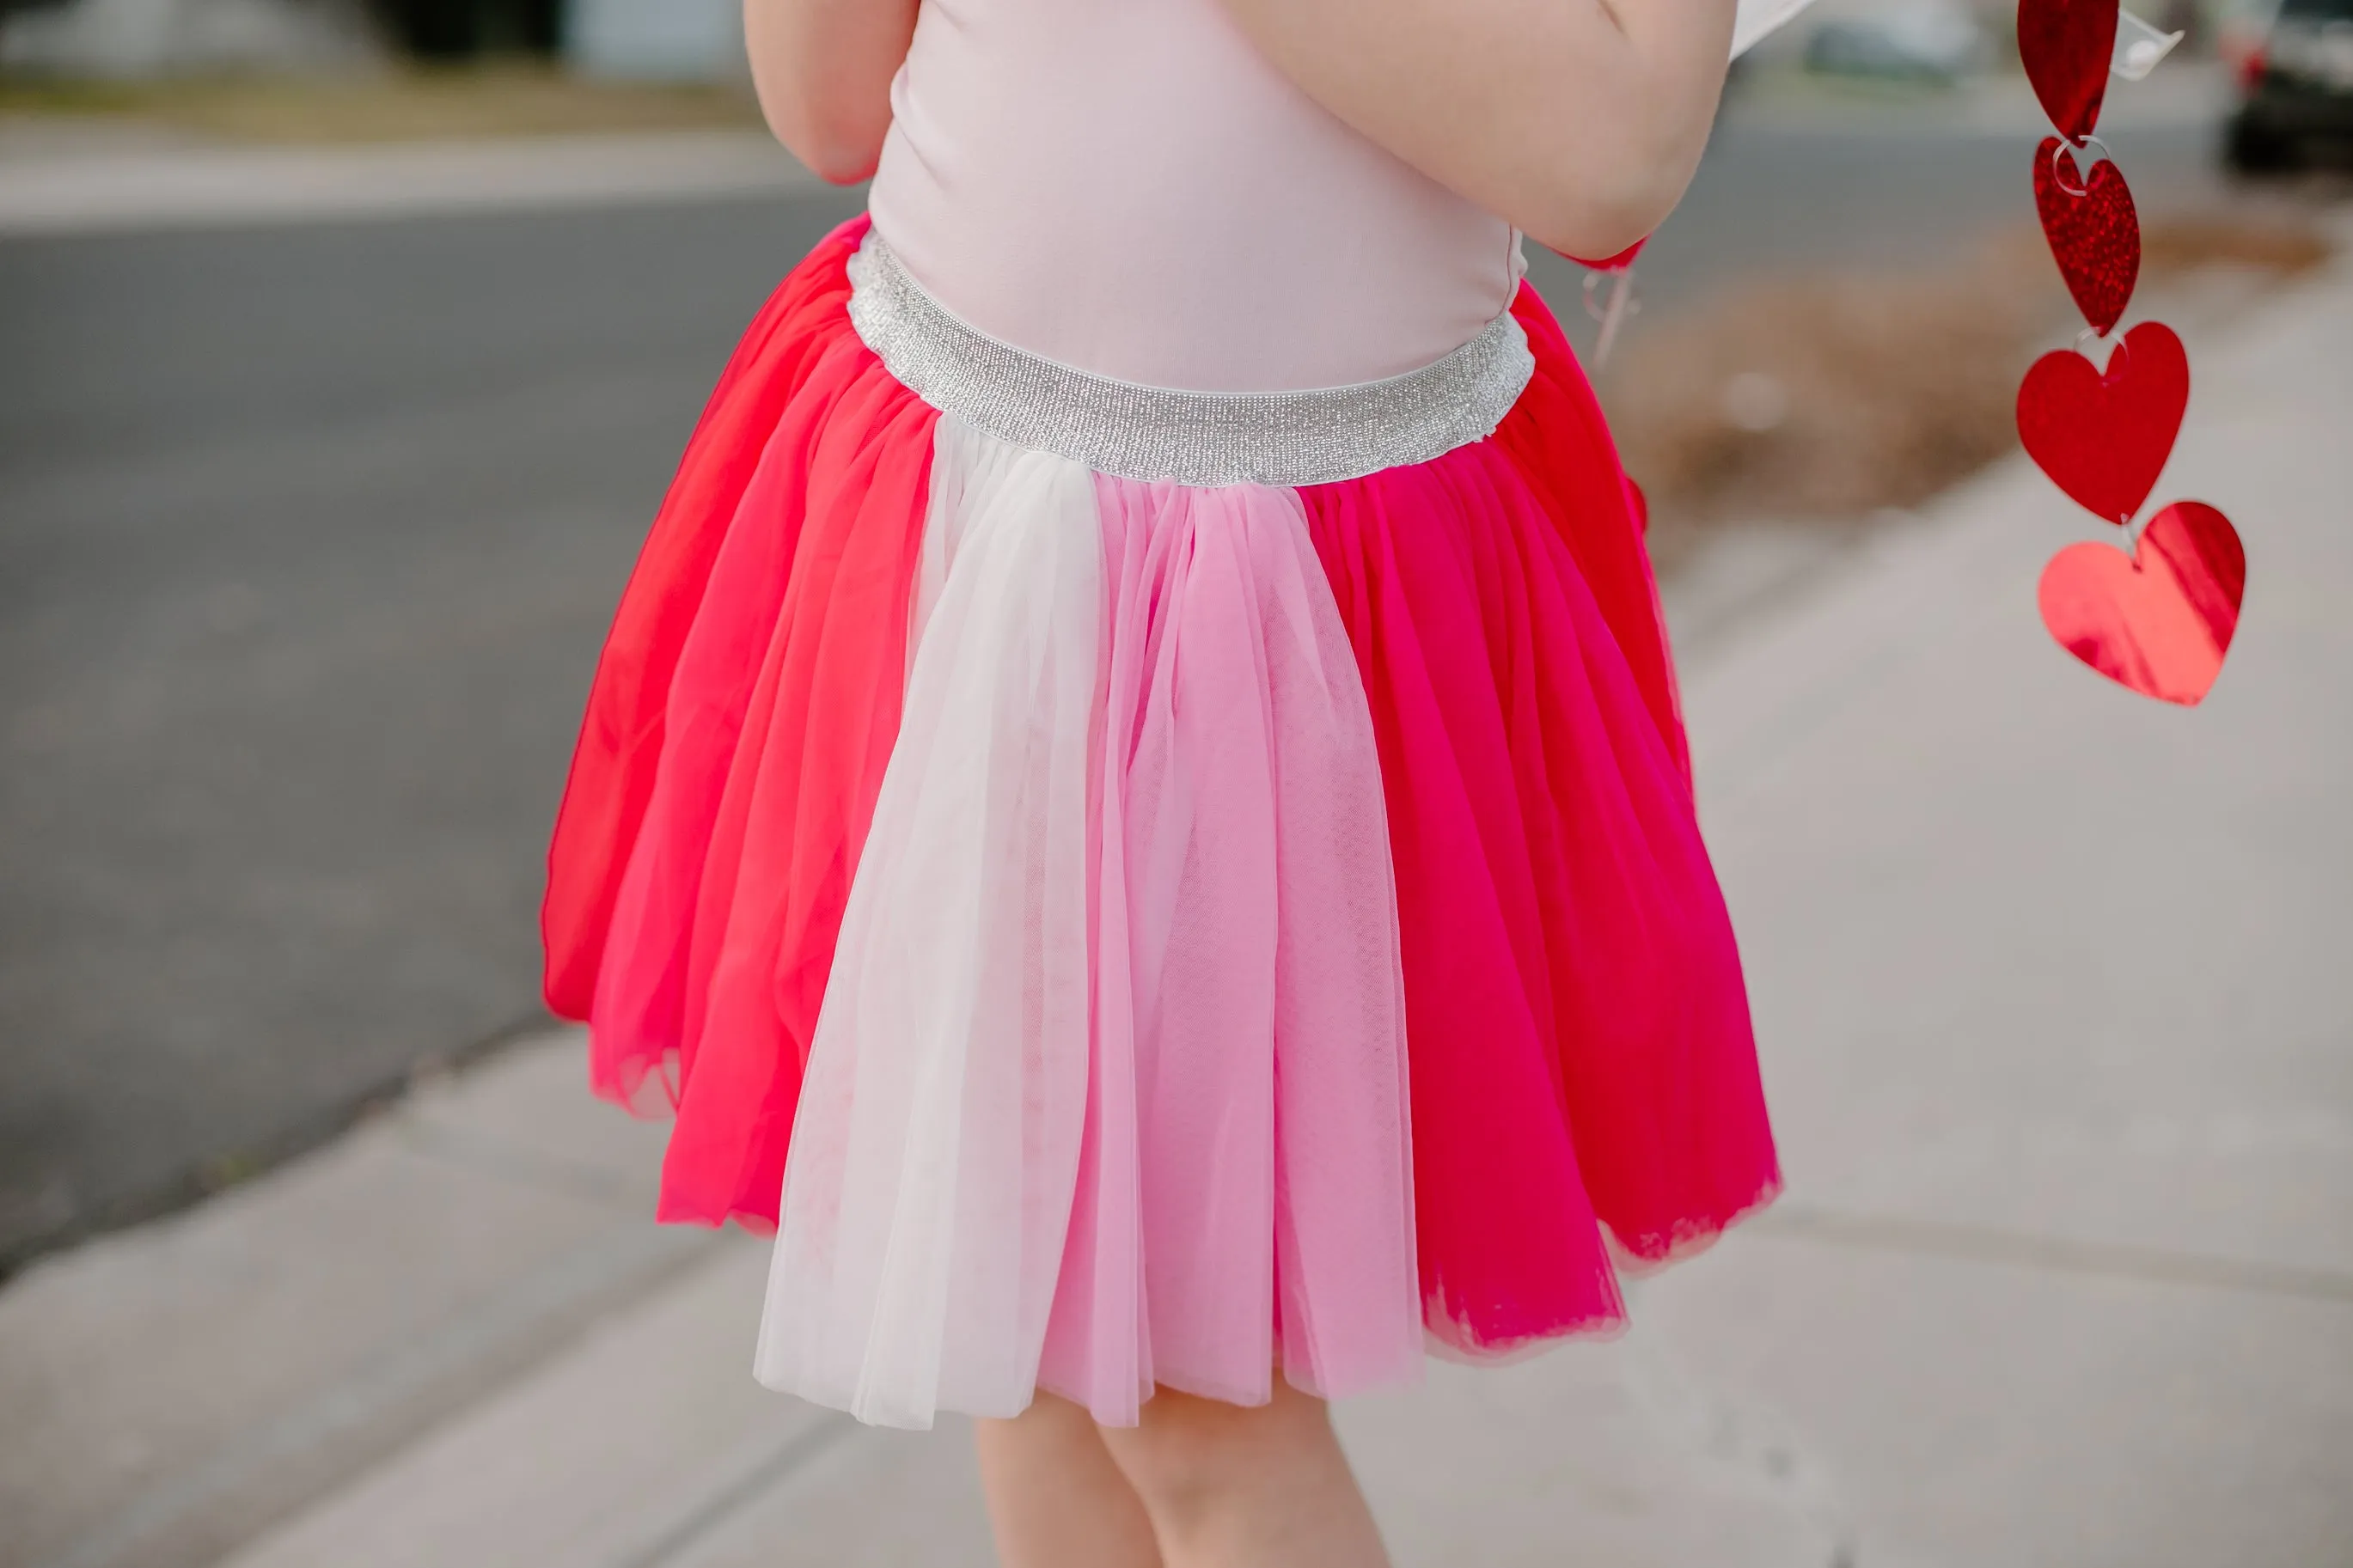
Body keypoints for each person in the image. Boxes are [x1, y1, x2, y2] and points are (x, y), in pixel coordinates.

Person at [542, 0, 1800, 1561]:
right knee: (1040, 1329)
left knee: (1201, 1413)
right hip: (975, 517)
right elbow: (829, 108)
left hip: (1290, 589)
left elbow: (1602, 154)